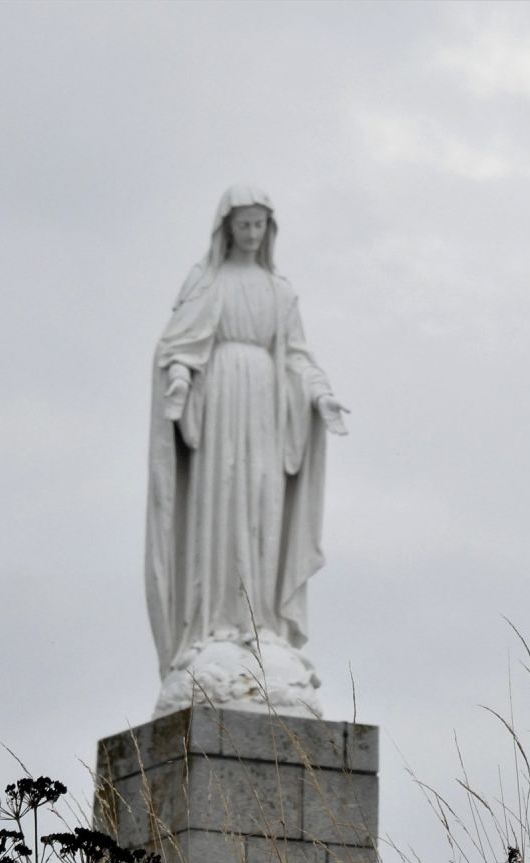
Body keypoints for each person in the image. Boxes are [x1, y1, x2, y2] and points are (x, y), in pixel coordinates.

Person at [145, 184, 348, 717]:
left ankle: (262, 625)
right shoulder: (207, 281)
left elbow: (299, 355)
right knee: (220, 509)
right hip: (220, 407)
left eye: (260, 224)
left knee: (262, 515)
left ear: (268, 228)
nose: (252, 233)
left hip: (266, 409)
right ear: (228, 227)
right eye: (244, 224)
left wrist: (322, 395)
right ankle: (214, 624)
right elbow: (180, 345)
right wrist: (180, 382)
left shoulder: (280, 292)